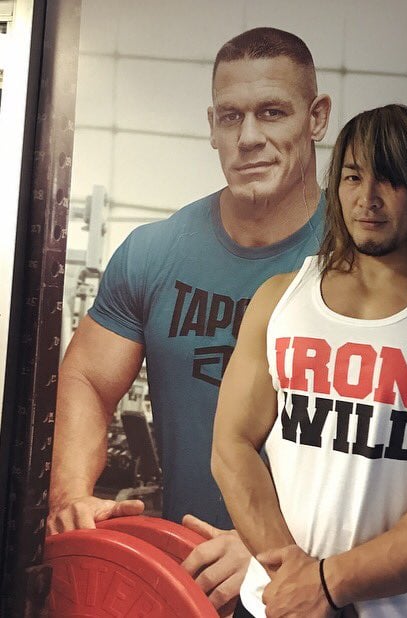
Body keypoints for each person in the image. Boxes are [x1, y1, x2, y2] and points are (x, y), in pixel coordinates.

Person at [48, 27, 331, 616]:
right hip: (187, 587)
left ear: (317, 118)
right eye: (231, 117)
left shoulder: (363, 263)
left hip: (316, 590)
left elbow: (401, 459)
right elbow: (89, 378)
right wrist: (72, 495)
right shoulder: (154, 253)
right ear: (211, 126)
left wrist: (282, 549)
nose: (248, 138)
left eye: (272, 112)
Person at [211, 104, 407, 617]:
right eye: (353, 177)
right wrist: (293, 578)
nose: (367, 199)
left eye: (391, 180)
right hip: (277, 603)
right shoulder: (279, 300)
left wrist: (328, 584)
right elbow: (232, 447)